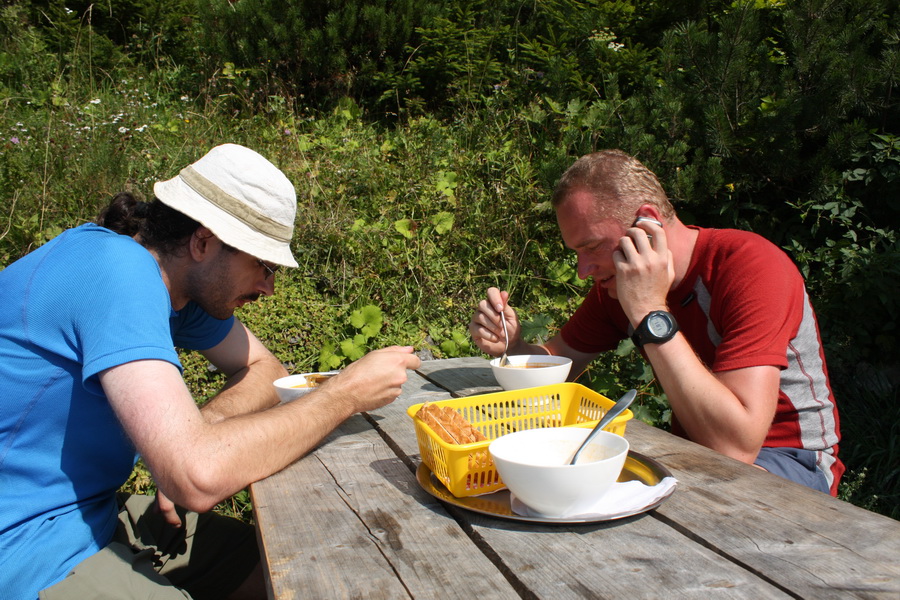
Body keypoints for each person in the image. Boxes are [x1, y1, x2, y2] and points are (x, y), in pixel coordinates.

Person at [0, 143, 421, 599]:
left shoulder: (177, 293)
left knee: (294, 569)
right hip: (24, 545)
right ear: (203, 242)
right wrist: (345, 393)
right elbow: (198, 478)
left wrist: (203, 428)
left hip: (87, 513)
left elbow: (264, 366)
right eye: (262, 264)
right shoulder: (118, 272)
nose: (269, 286)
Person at [469, 149, 843, 496]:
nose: (583, 271)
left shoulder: (751, 267)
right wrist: (514, 347)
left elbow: (735, 446)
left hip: (790, 460)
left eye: (592, 247)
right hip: (699, 452)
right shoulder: (615, 287)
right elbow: (558, 362)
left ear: (647, 222)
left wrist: (649, 310)